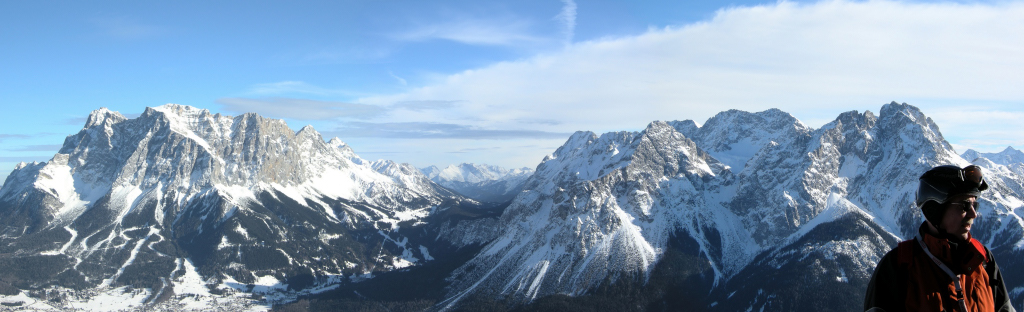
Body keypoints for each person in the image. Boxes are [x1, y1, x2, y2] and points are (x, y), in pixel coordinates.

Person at [864, 165, 1015, 312]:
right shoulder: (898, 267)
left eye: (975, 205)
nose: (973, 214)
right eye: (964, 206)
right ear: (934, 210)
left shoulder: (983, 260)